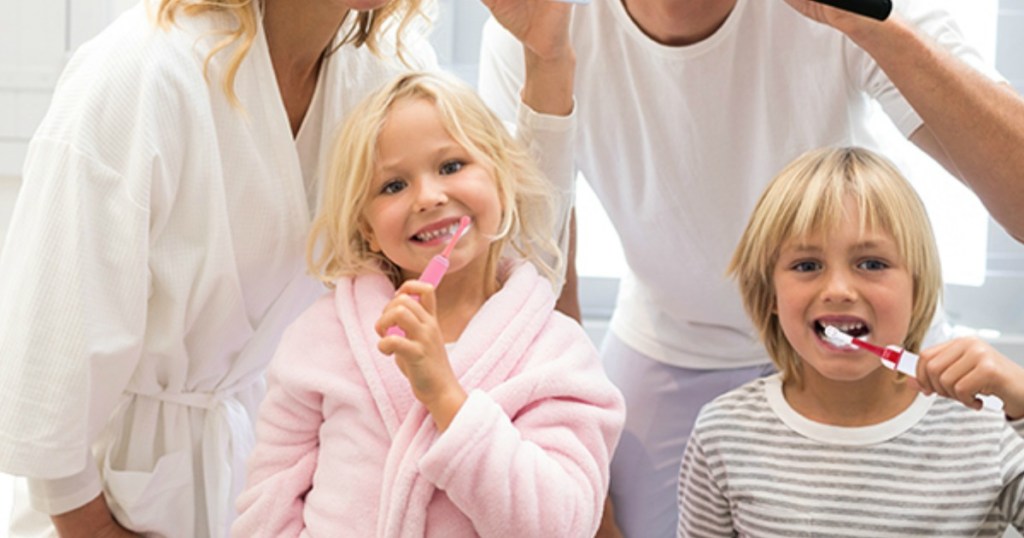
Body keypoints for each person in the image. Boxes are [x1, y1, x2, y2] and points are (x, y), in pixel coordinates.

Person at [0, 0, 579, 536]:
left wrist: (546, 62)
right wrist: (94, 528)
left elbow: (508, 269)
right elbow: (46, 360)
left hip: (262, 477)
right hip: (106, 493)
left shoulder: (382, 72)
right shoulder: (140, 73)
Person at [478, 1, 1024, 535]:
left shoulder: (981, 439)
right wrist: (579, 465)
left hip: (879, 348)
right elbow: (534, 266)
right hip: (673, 341)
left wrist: (877, 27)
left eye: (873, 261)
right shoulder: (537, 25)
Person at [230, 71, 625, 537]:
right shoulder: (320, 339)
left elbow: (559, 525)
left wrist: (445, 395)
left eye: (452, 166)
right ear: (366, 228)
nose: (429, 197)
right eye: (393, 186)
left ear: (503, 180)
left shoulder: (558, 356)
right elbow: (268, 504)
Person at [678, 146, 1024, 537]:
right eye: (807, 265)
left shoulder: (983, 430)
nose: (839, 289)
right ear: (770, 294)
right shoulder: (724, 433)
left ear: (917, 285)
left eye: (872, 264)